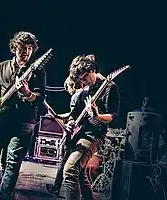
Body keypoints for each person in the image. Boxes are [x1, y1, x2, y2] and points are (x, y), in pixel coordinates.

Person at [0, 31, 46, 200]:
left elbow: (40, 99)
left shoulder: (37, 71)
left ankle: (3, 197)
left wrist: (27, 93)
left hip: (23, 123)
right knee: (5, 162)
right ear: (14, 48)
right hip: (3, 121)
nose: (26, 51)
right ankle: (8, 194)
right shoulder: (2, 66)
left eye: (29, 48)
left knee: (13, 162)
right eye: (22, 47)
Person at [61, 54, 120, 200]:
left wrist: (97, 115)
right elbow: (75, 114)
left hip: (94, 136)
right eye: (80, 79)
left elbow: (112, 117)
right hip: (80, 134)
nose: (83, 82)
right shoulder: (85, 89)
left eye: (85, 77)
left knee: (70, 170)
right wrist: (70, 122)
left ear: (93, 69)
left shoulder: (109, 87)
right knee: (81, 176)